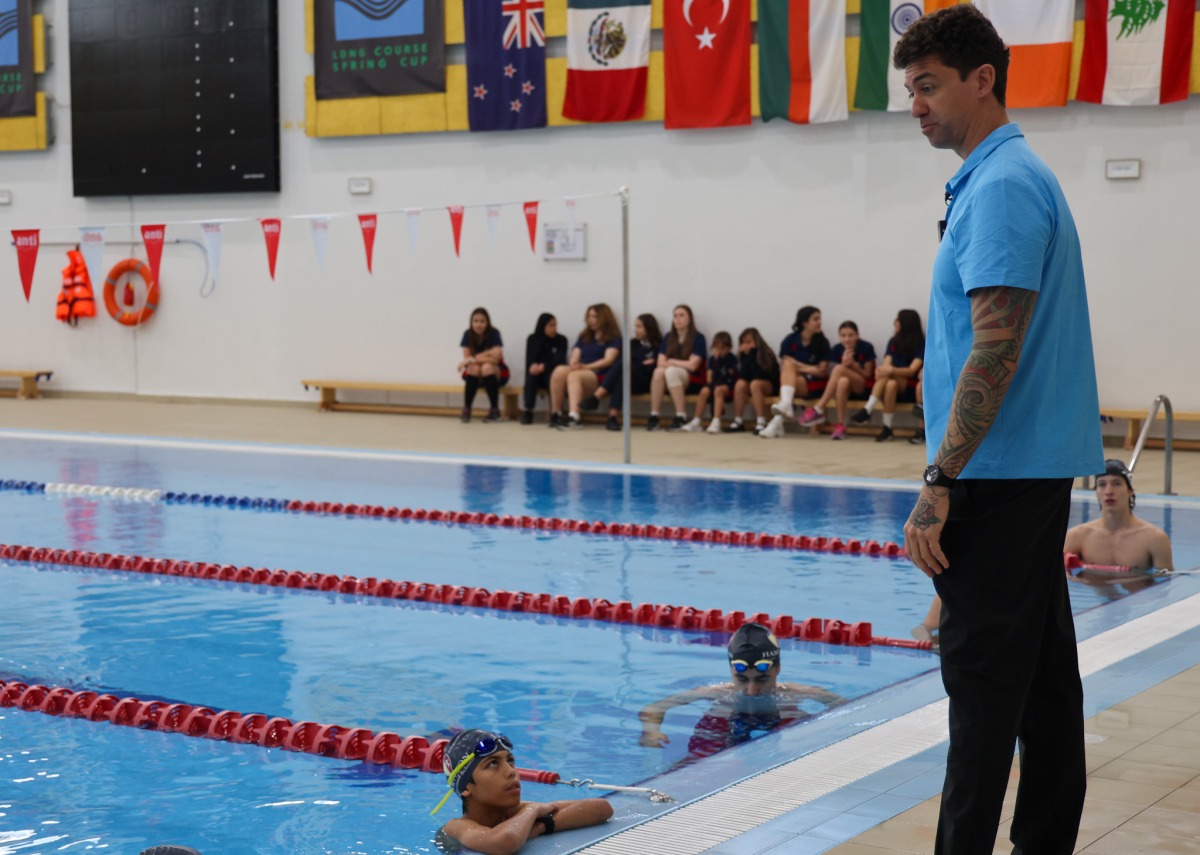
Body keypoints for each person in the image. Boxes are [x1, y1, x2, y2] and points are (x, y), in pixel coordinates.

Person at [896, 7, 1104, 854]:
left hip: (995, 474)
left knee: (981, 688)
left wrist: (939, 482)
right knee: (1045, 682)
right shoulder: (996, 177)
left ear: (983, 79)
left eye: (930, 85)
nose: (917, 104)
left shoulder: (1005, 186)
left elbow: (996, 345)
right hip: (1020, 469)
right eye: (911, 88)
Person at [637, 623, 844, 759]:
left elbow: (848, 709)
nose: (752, 690)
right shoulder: (716, 693)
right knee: (692, 767)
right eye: (742, 680)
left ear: (778, 669)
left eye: (763, 679)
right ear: (731, 671)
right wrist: (651, 731)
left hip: (779, 727)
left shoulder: (797, 693)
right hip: (723, 728)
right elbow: (653, 709)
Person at [433, 729, 612, 854]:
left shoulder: (513, 813)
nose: (511, 771)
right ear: (465, 787)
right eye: (493, 763)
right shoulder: (455, 827)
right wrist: (532, 811)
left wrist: (539, 826)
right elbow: (506, 842)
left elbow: (601, 808)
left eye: (510, 761)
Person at [1064, 459, 1174, 577]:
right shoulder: (1078, 536)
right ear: (1096, 492)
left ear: (1130, 491)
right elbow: (1058, 578)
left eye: (1116, 483)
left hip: (1138, 594)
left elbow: (1165, 586)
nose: (1109, 491)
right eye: (1102, 484)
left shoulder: (1154, 539)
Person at [852, 310, 926, 442]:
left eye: (897, 320)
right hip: (891, 386)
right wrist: (883, 369)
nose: (894, 323)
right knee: (890, 383)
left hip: (910, 386)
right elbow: (887, 364)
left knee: (889, 377)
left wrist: (891, 370)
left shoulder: (921, 343)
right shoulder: (893, 341)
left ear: (906, 323)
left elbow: (911, 370)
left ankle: (868, 409)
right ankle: (886, 427)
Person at [580, 313, 662, 431]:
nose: (636, 330)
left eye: (639, 327)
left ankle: (596, 396)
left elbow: (652, 368)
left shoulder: (657, 346)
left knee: (625, 368)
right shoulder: (632, 344)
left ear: (648, 328)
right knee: (623, 376)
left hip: (645, 382)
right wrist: (641, 363)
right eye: (635, 326)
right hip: (629, 379)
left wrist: (637, 364)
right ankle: (612, 417)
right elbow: (620, 363)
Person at [797, 320, 877, 440]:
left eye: (850, 335)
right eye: (843, 335)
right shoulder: (837, 349)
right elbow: (834, 374)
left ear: (857, 335)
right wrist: (845, 365)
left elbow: (867, 374)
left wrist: (853, 364)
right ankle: (840, 425)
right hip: (846, 387)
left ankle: (818, 408)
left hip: (862, 386)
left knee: (840, 369)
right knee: (842, 382)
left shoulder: (866, 347)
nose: (847, 339)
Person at [761, 306, 830, 439]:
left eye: (820, 319)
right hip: (795, 381)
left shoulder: (822, 342)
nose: (819, 322)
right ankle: (781, 414)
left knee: (788, 380)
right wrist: (801, 367)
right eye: (815, 319)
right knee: (788, 371)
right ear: (804, 323)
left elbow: (821, 371)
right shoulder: (790, 340)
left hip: (814, 383)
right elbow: (785, 366)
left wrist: (798, 366)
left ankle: (782, 412)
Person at [548, 304, 621, 430]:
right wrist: (574, 363)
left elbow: (608, 360)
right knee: (559, 371)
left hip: (597, 372)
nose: (590, 320)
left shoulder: (614, 338)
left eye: (594, 316)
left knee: (574, 376)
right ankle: (556, 413)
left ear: (604, 318)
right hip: (582, 368)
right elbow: (576, 354)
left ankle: (574, 417)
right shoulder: (585, 336)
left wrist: (586, 366)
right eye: (589, 316)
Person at [648, 305, 707, 431]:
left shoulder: (698, 338)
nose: (677, 319)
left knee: (671, 371)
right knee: (658, 372)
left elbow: (693, 365)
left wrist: (672, 361)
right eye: (675, 316)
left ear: (689, 319)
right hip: (671, 376)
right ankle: (654, 415)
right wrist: (680, 363)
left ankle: (681, 415)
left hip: (691, 379)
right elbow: (660, 362)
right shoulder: (669, 337)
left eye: (682, 315)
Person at [722, 328, 779, 434]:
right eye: (743, 342)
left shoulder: (766, 353)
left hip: (768, 384)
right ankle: (738, 420)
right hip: (753, 383)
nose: (746, 345)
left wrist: (752, 353)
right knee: (740, 384)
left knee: (755, 384)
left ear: (757, 342)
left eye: (749, 342)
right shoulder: (744, 356)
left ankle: (761, 421)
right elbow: (744, 376)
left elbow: (759, 375)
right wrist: (745, 356)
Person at [457, 308, 507, 423]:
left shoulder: (494, 333)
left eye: (482, 321)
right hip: (475, 373)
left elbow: (496, 359)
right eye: (475, 321)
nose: (478, 324)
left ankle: (494, 410)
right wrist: (488, 353)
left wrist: (474, 358)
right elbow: (467, 360)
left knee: (487, 367)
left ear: (487, 322)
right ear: (471, 322)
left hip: (494, 372)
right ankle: (467, 408)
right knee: (474, 368)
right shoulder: (467, 334)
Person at [682, 331, 737, 433]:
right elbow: (709, 378)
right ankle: (696, 420)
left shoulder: (732, 359)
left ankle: (716, 421)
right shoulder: (711, 360)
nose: (719, 352)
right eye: (717, 348)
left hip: (727, 385)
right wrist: (716, 361)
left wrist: (720, 360)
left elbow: (730, 376)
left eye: (723, 349)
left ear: (729, 348)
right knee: (704, 391)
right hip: (714, 384)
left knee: (718, 390)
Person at [520, 314, 568, 425]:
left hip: (552, 372)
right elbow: (530, 359)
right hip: (537, 372)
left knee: (552, 377)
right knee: (531, 376)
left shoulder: (561, 340)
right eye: (551, 325)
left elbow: (560, 360)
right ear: (543, 326)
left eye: (555, 325)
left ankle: (555, 412)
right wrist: (534, 366)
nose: (554, 328)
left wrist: (544, 366)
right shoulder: (533, 339)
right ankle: (528, 411)